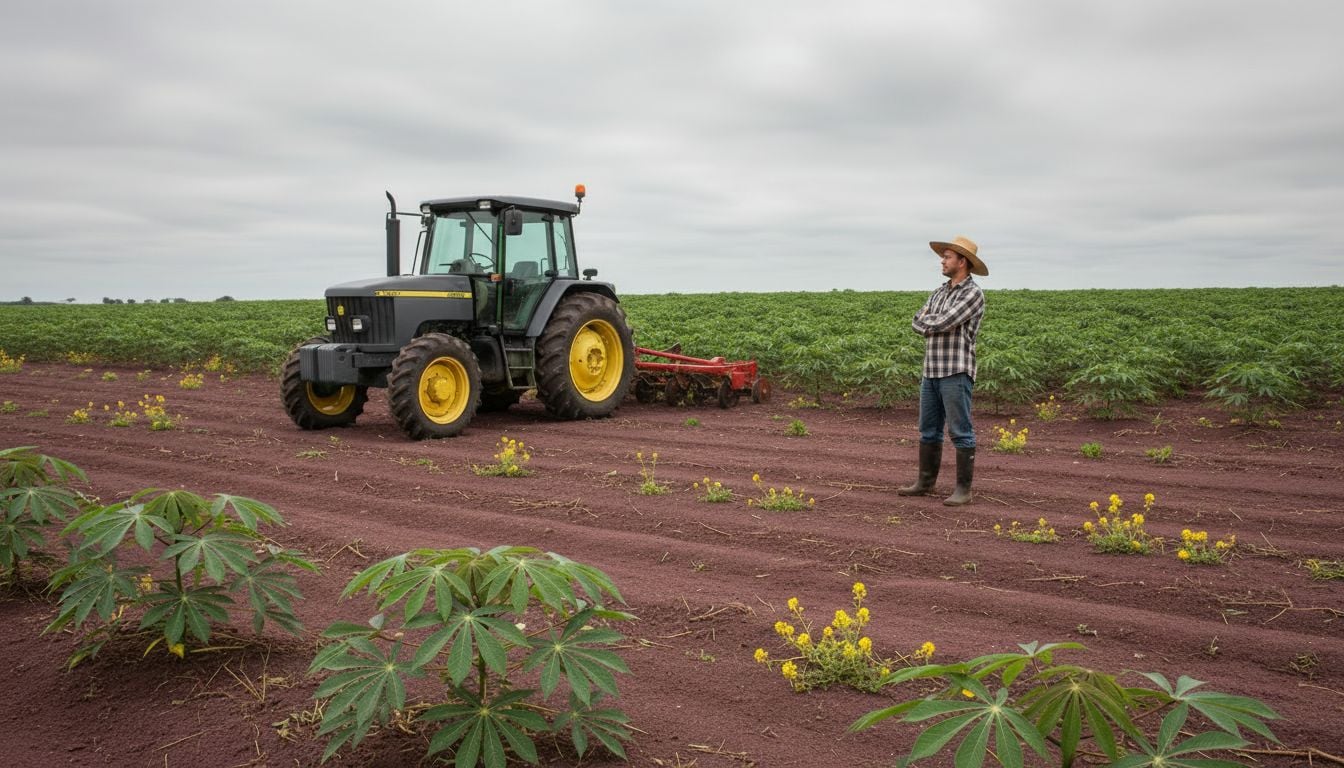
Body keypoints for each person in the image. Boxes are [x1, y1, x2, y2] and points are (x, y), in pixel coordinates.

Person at [897, 236, 988, 506]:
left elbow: (946, 321)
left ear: (963, 262)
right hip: (931, 370)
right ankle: (925, 483)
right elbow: (916, 321)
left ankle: (963, 490)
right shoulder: (939, 292)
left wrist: (929, 322)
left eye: (948, 257)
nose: (942, 260)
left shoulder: (973, 293)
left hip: (956, 371)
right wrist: (930, 322)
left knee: (960, 430)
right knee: (928, 430)